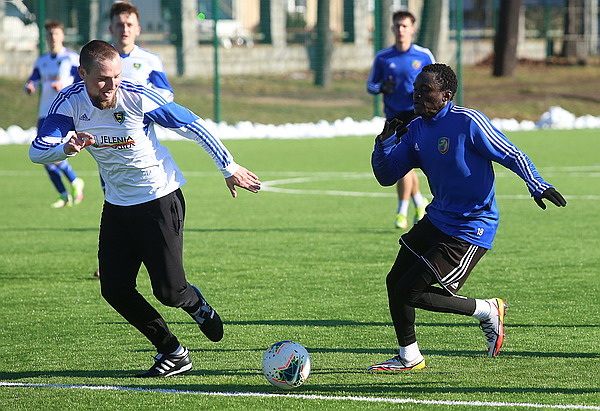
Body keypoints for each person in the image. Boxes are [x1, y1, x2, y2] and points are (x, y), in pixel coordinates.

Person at [29, 40, 261, 377]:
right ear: (82, 74)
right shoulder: (69, 102)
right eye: (102, 79)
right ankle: (172, 351)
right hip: (117, 207)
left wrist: (229, 167)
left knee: (169, 292)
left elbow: (192, 124)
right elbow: (38, 150)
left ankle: (196, 305)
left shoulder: (137, 96)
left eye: (116, 77)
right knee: (114, 289)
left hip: (159, 199)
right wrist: (66, 148)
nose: (111, 86)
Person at [369, 63, 566, 371]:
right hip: (437, 219)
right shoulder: (416, 129)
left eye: (426, 90)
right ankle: (409, 356)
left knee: (409, 291)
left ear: (446, 95)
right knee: (395, 281)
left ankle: (488, 310)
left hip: (471, 227)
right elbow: (387, 176)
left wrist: (537, 184)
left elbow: (511, 154)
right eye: (416, 90)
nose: (417, 96)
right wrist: (383, 146)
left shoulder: (468, 121)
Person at [92, 1, 173, 278]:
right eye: (119, 24)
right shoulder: (99, 62)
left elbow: (167, 96)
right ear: (111, 28)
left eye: (129, 24)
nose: (124, 29)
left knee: (142, 198)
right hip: (107, 146)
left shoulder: (149, 60)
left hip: (137, 144)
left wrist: (144, 105)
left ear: (137, 28)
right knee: (113, 198)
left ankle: (150, 258)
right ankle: (114, 261)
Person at [367, 10, 435, 230]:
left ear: (412, 29)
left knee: (405, 163)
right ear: (392, 28)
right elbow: (371, 86)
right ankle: (418, 203)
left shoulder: (423, 55)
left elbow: (437, 81)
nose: (401, 30)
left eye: (405, 26)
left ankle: (401, 212)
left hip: (417, 116)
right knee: (404, 164)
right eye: (397, 26)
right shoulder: (383, 57)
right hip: (394, 118)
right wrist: (382, 87)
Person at [24, 20, 85, 208]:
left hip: (63, 114)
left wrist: (64, 86)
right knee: (43, 155)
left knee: (54, 152)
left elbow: (82, 83)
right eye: (50, 34)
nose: (53, 38)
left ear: (62, 36)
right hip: (44, 113)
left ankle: (74, 181)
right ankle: (64, 194)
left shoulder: (72, 59)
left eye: (56, 34)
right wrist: (30, 86)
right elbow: (32, 80)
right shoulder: (41, 61)